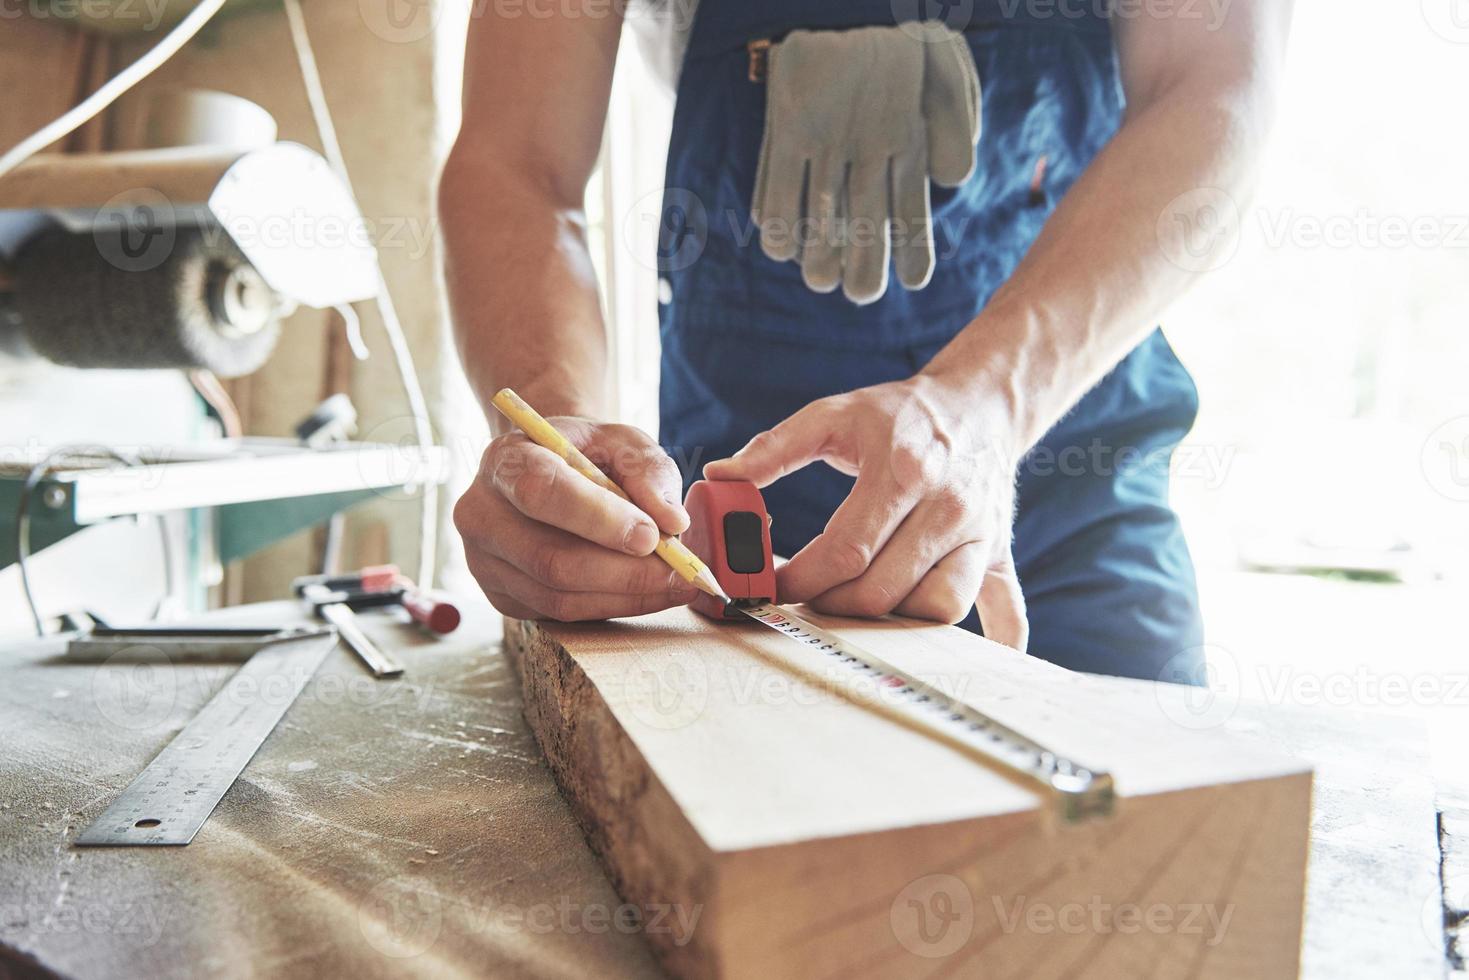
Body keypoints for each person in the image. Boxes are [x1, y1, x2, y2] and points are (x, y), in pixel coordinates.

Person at [441, 0, 1293, 681]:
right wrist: (556, 436)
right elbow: (517, 165)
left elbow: (1214, 93)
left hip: (1070, 479)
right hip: (743, 513)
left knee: (1137, 846)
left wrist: (986, 402)